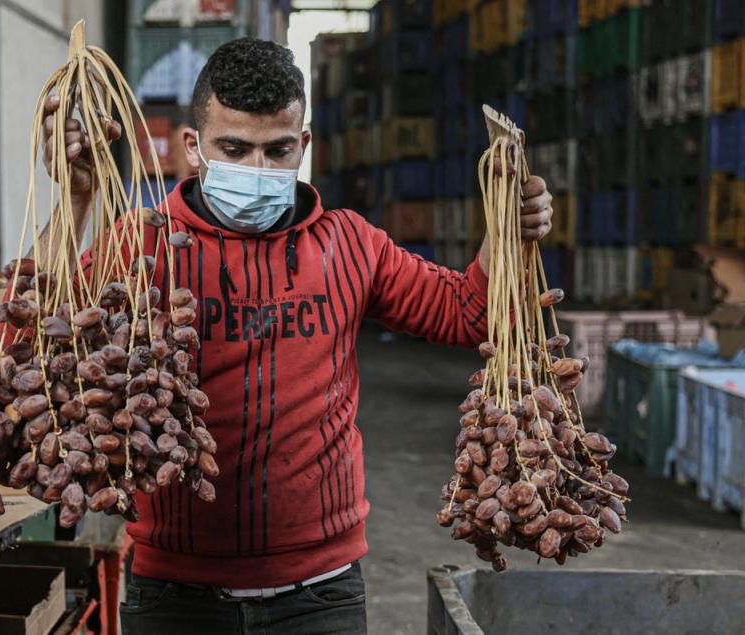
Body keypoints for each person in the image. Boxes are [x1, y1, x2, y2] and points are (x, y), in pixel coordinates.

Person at [38, 38, 553, 635]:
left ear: (303, 146)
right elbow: (42, 342)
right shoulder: (145, 245)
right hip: (175, 595)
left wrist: (509, 234)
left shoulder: (349, 245)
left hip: (319, 595)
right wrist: (75, 201)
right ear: (193, 147)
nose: (257, 171)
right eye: (234, 149)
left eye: (277, 150)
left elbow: (467, 312)